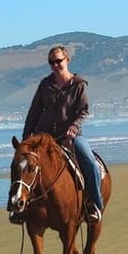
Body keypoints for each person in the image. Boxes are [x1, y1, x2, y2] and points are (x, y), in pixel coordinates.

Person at [15, 45, 103, 224]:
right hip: (44, 137)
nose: (55, 65)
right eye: (51, 62)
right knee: (21, 164)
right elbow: (34, 112)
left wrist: (74, 127)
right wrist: (26, 138)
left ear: (67, 60)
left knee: (89, 162)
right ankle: (17, 205)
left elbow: (83, 111)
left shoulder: (78, 85)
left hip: (70, 136)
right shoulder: (45, 85)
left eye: (58, 61)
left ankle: (94, 204)